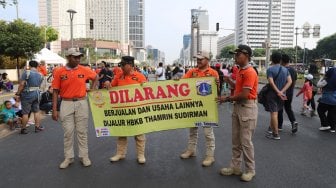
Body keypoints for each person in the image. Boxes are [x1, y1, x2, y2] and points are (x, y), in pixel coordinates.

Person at [52, 48, 99, 169]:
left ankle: (84, 156)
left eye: (79, 57)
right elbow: (55, 91)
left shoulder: (84, 69)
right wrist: (54, 109)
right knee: (68, 132)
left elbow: (96, 77)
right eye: (75, 57)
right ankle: (69, 157)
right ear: (68, 57)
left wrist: (92, 90)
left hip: (81, 103)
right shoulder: (59, 72)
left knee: (82, 132)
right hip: (66, 104)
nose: (78, 59)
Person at [218, 44, 258, 182]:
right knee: (236, 140)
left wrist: (226, 98)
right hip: (238, 108)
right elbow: (238, 89)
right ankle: (235, 167)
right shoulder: (241, 70)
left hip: (247, 108)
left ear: (246, 56)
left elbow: (245, 94)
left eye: (238, 55)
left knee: (246, 142)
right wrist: (230, 81)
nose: (235, 57)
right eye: (235, 55)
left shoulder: (250, 72)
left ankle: (250, 170)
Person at [180, 51, 219, 167]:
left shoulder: (213, 73)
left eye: (200, 59)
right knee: (192, 131)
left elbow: (217, 91)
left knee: (208, 133)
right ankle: (191, 150)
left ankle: (210, 156)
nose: (198, 61)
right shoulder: (192, 71)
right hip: (194, 106)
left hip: (207, 108)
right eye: (197, 59)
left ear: (207, 60)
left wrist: (217, 83)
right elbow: (182, 83)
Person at [109, 56, 147, 164]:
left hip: (136, 110)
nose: (121, 66)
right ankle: (120, 154)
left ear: (130, 65)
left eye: (123, 64)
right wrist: (108, 85)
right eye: (121, 64)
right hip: (122, 110)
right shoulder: (118, 76)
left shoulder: (140, 76)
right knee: (121, 132)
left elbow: (148, 91)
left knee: (139, 133)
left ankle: (140, 155)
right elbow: (111, 88)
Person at [264, 52, 292, 140]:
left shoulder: (270, 69)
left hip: (272, 94)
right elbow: (290, 81)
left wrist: (277, 91)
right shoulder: (285, 70)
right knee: (276, 112)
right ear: (280, 60)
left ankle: (275, 134)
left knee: (274, 113)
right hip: (282, 95)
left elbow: (271, 82)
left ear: (272, 59)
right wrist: (281, 92)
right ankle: (272, 130)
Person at [16, 60, 44, 134]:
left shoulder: (26, 72)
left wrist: (18, 93)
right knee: (36, 111)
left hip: (27, 94)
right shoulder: (40, 74)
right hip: (37, 94)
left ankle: (24, 129)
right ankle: (37, 127)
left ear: (30, 66)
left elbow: (22, 84)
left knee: (25, 113)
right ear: (37, 66)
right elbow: (39, 85)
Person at [278, 54, 298, 133]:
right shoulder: (293, 70)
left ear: (281, 61)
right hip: (290, 93)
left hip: (282, 92)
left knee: (280, 108)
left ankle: (279, 126)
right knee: (288, 108)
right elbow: (294, 82)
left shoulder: (281, 70)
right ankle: (293, 121)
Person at [316, 67, 336, 133]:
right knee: (331, 113)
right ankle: (333, 128)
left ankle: (325, 125)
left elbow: (318, 85)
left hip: (327, 98)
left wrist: (323, 77)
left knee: (320, 110)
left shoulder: (327, 81)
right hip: (334, 98)